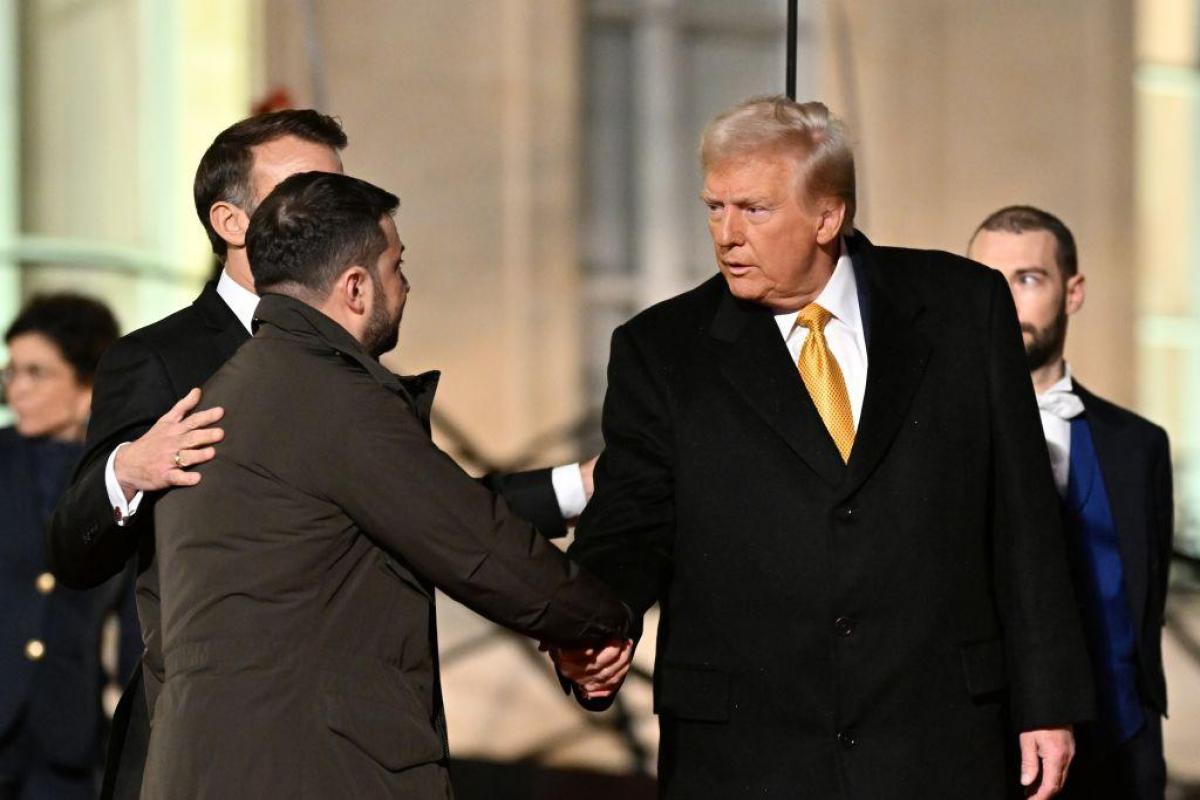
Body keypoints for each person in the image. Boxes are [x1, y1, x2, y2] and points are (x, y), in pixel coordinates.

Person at [553, 96, 1094, 799]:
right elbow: (630, 520)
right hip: (745, 754)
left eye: (753, 209)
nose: (726, 235)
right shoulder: (661, 350)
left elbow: (1023, 520)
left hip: (935, 740)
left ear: (827, 217)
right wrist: (597, 624)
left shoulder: (964, 307)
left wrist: (1047, 701)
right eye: (714, 207)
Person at [44, 109, 593, 800]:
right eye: (305, 186)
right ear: (230, 221)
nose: (336, 205)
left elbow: (420, 512)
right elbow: (71, 549)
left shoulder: (353, 342)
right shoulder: (158, 358)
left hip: (359, 741)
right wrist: (127, 469)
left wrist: (572, 489)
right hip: (207, 752)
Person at [968, 206, 1173, 800]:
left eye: (1028, 279)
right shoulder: (937, 441)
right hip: (993, 754)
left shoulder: (1138, 446)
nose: (1005, 301)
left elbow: (1144, 598)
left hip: (1123, 747)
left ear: (1072, 292)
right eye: (989, 280)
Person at [0, 294, 140, 799]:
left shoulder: (121, 477)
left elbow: (132, 620)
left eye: (37, 373)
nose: (17, 388)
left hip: (69, 742)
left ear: (87, 385)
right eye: (11, 371)